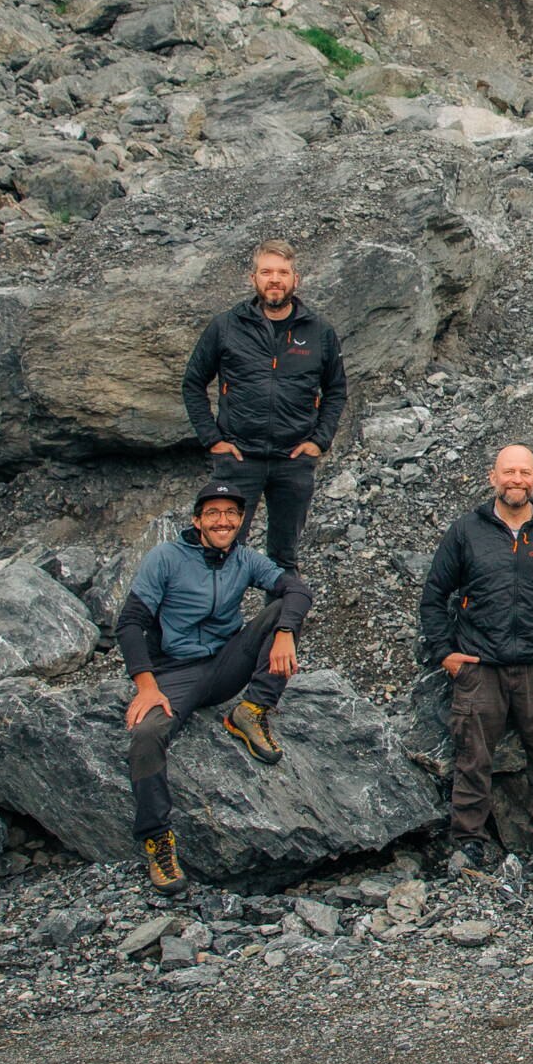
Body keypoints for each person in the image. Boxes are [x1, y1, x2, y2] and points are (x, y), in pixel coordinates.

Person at [119, 480, 314, 893]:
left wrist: (283, 633)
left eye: (230, 513)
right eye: (213, 513)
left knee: (285, 609)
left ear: (241, 521)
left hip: (227, 662)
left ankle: (251, 710)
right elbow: (130, 622)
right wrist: (146, 686)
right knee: (148, 734)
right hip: (176, 670)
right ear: (197, 520)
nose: (222, 520)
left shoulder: (245, 559)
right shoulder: (166, 558)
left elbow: (295, 589)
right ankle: (157, 839)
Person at [418, 445, 533, 876]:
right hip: (479, 668)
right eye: (508, 472)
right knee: (472, 760)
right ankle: (469, 844)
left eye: (525, 472)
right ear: (492, 477)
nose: (517, 479)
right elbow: (432, 597)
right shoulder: (466, 531)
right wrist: (446, 655)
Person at [181, 239, 348, 568]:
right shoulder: (226, 326)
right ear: (253, 278)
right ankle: (221, 620)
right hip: (239, 459)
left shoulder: (319, 331)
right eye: (266, 272)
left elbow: (336, 389)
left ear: (295, 280)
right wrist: (212, 439)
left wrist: (319, 440)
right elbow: (193, 382)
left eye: (282, 272)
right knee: (221, 552)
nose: (275, 279)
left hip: (293, 461)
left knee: (284, 558)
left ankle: (280, 620)